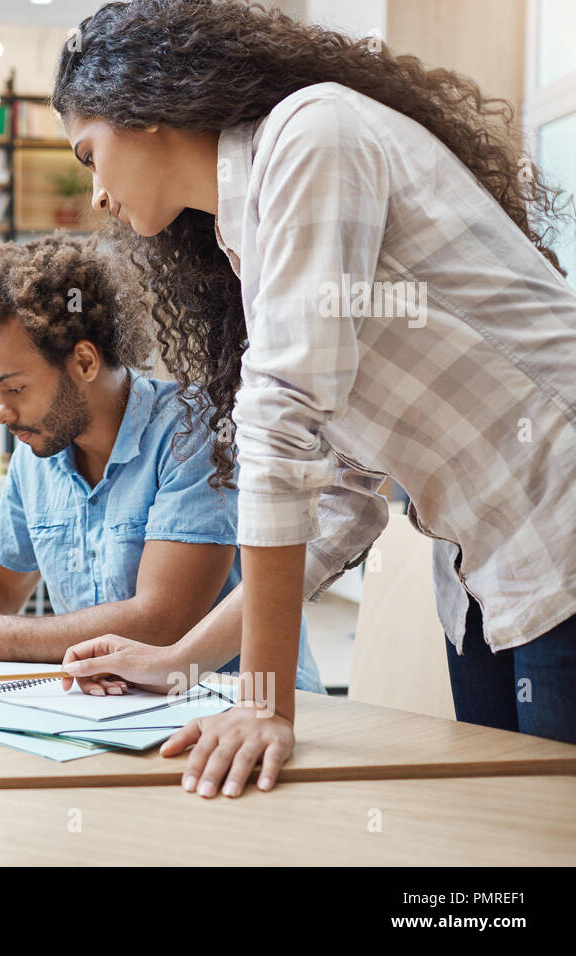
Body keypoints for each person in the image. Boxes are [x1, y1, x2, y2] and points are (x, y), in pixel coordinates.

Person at [50, 0, 576, 798]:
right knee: (506, 829)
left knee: (547, 828)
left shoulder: (309, 135)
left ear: (143, 108)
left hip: (556, 521)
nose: (96, 193)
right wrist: (181, 661)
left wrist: (264, 704)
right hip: (484, 568)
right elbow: (339, 498)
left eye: (90, 155)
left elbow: (283, 416)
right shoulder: (246, 228)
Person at [0, 234, 323, 693]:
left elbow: (160, 621)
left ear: (85, 362)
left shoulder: (191, 431)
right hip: (116, 709)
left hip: (231, 703)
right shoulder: (40, 448)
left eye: (15, 388)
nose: (1, 412)